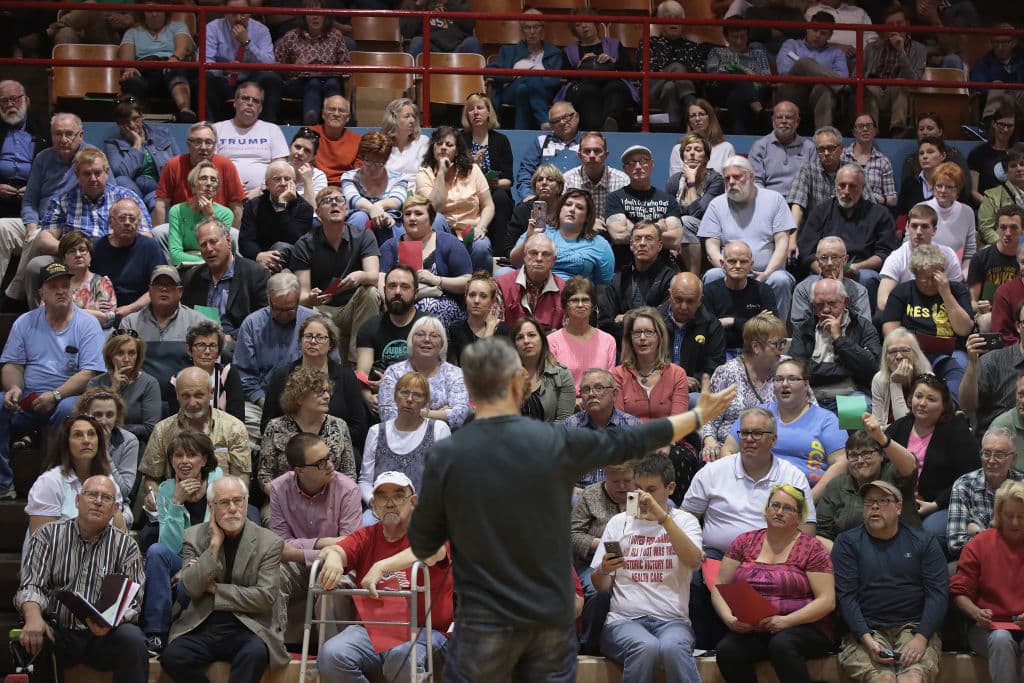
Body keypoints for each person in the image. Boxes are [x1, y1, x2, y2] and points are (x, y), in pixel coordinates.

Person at [406, 336, 737, 682]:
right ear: (519, 382)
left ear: (470, 387)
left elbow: (424, 545)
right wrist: (698, 415)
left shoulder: (446, 454)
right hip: (549, 616)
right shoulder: (553, 441)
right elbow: (632, 440)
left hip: (484, 618)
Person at [317, 470, 455, 683]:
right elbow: (334, 550)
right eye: (382, 496)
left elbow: (430, 551)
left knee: (401, 655)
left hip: (425, 632)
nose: (390, 503)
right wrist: (334, 557)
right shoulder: (366, 535)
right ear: (373, 505)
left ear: (414, 501)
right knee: (331, 655)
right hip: (372, 631)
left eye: (398, 495)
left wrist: (381, 566)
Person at [16, 475, 147, 680]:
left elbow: (133, 601)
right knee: (34, 633)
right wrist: (33, 618)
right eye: (92, 494)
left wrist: (112, 621)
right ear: (78, 500)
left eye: (106, 497)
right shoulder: (47, 535)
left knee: (133, 639)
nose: (97, 501)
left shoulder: (126, 546)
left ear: (114, 509)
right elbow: (31, 584)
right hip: (58, 630)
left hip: (104, 637)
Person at [159, 476, 289, 681]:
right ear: (211, 506)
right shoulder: (193, 536)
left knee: (254, 654)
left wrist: (216, 590)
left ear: (246, 502)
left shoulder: (269, 542)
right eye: (224, 502)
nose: (233, 508)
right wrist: (214, 545)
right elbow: (191, 588)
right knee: (173, 657)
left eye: (238, 501)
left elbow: (265, 597)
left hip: (248, 626)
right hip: (202, 623)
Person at [591, 453, 704, 683]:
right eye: (639, 488)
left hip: (673, 621)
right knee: (646, 647)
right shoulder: (619, 522)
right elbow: (601, 586)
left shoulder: (685, 521)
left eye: (651, 490)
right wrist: (603, 569)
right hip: (624, 621)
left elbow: (694, 561)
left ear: (670, 488)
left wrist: (662, 517)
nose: (642, 497)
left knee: (672, 648)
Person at [0, 262, 105, 498]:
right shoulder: (25, 322)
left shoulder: (87, 324)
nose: (61, 291)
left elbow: (89, 372)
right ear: (41, 293)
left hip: (67, 396)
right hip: (29, 396)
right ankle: (3, 484)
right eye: (54, 286)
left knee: (70, 410)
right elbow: (12, 364)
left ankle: (59, 486)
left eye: (65, 286)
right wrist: (14, 387)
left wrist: (56, 395)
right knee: (0, 404)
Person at [712, 484, 835, 683]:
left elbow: (827, 600)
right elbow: (720, 585)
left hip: (804, 626)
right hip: (756, 628)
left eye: (787, 508)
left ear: (799, 516)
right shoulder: (744, 541)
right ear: (766, 509)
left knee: (782, 643)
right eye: (775, 505)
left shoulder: (812, 548)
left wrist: (787, 621)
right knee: (727, 650)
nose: (779, 512)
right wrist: (729, 620)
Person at [832, 480, 948, 683]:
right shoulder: (847, 543)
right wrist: (867, 640)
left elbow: (938, 594)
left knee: (912, 679)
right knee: (884, 680)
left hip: (913, 628)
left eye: (883, 501)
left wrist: (921, 638)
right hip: (866, 631)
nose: (874, 507)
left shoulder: (924, 541)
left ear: (899, 507)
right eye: (869, 502)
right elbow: (846, 597)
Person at [139, 432, 224, 656]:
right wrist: (176, 502)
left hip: (214, 561)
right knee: (156, 552)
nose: (184, 461)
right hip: (181, 560)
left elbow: (221, 537)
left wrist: (193, 566)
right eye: (178, 455)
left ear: (204, 460)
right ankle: (155, 633)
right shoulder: (166, 489)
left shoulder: (219, 484)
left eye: (191, 455)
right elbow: (168, 544)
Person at [721, 356, 847, 495]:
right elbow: (728, 450)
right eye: (779, 379)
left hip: (806, 492)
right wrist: (740, 487)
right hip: (755, 488)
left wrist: (809, 499)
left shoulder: (826, 420)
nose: (784, 384)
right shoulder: (757, 414)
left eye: (793, 379)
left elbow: (840, 462)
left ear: (806, 384)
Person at [3, 112, 92, 305]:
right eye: (57, 134)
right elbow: (29, 200)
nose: (63, 139)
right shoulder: (43, 158)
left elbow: (101, 192)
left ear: (81, 136)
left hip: (67, 228)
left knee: (38, 237)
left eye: (69, 134)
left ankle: (14, 294)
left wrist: (37, 232)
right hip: (39, 222)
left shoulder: (91, 158)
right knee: (2, 228)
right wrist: (31, 224)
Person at [885, 373, 979, 549]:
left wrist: (935, 505)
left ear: (943, 406)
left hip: (942, 504)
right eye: (918, 396)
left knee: (928, 535)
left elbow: (969, 478)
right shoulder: (901, 426)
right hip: (900, 502)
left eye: (931, 399)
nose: (922, 403)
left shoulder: (956, 431)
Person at [699, 155, 796, 324]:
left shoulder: (775, 199)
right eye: (727, 178)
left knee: (781, 280)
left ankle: (776, 334)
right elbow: (711, 245)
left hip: (768, 272)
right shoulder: (716, 204)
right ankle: (712, 331)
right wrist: (728, 269)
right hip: (729, 271)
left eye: (737, 177)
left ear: (751, 177)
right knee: (712, 275)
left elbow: (782, 243)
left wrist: (766, 274)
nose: (731, 182)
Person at [291, 186, 382, 364]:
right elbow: (301, 297)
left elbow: (373, 276)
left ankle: (359, 365)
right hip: (322, 308)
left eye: (339, 200)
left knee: (371, 292)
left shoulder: (363, 236)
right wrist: (311, 298)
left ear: (346, 208)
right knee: (304, 310)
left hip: (353, 307)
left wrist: (360, 276)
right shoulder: (304, 244)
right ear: (318, 212)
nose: (334, 203)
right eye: (327, 201)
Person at [795, 165, 897, 314]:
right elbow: (806, 252)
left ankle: (865, 329)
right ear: (836, 186)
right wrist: (827, 272)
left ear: (862, 188)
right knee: (806, 285)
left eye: (853, 186)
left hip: (861, 270)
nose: (846, 191)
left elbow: (884, 253)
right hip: (823, 268)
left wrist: (857, 267)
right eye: (842, 185)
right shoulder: (821, 211)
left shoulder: (880, 214)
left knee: (868, 279)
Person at [950, 479, 1024, 683]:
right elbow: (959, 593)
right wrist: (976, 613)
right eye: (1010, 516)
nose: (1016, 522)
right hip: (987, 629)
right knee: (1001, 638)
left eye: (1021, 516)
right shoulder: (980, 544)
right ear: (999, 514)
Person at [139, 366, 252, 497]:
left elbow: (241, 479)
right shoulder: (162, 430)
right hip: (174, 500)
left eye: (199, 395)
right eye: (185, 396)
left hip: (222, 501)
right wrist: (154, 496)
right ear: (177, 395)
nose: (192, 403)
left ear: (211, 393)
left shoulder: (234, 428)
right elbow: (151, 479)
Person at [261, 314, 367, 449]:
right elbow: (266, 424)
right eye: (308, 336)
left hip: (335, 447)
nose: (313, 341)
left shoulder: (346, 376)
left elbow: (359, 426)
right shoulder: (282, 375)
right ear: (300, 342)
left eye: (320, 337)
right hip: (291, 448)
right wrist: (300, 445)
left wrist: (325, 444)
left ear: (331, 344)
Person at [881, 244, 973, 396]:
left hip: (951, 351)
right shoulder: (902, 291)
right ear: (915, 274)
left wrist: (946, 294)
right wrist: (908, 350)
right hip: (913, 352)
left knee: (960, 364)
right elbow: (890, 332)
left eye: (934, 277)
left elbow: (963, 329)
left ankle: (951, 409)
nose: (930, 283)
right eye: (925, 279)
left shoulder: (957, 290)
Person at [816, 418, 921, 550]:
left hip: (902, 551)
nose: (860, 460)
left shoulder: (893, 472)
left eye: (866, 453)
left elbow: (911, 466)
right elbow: (821, 533)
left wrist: (882, 438)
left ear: (882, 455)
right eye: (853, 455)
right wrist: (843, 557)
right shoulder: (837, 485)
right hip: (850, 558)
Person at [259, 366, 356, 502]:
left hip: (331, 501)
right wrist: (284, 499)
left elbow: (349, 474)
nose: (327, 396)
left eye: (327, 391)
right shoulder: (275, 427)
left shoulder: (339, 425)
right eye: (319, 392)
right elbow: (265, 476)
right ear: (299, 397)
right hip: (284, 501)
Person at [233, 273, 316, 431]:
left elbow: (329, 368)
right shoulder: (252, 324)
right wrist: (266, 403)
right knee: (243, 426)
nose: (283, 315)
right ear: (269, 299)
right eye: (277, 309)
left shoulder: (314, 323)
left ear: (299, 300)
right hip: (261, 402)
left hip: (307, 402)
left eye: (290, 309)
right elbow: (244, 376)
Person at [700, 312, 788, 461]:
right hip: (731, 451)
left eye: (783, 343)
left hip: (778, 449)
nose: (781, 349)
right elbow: (708, 418)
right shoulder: (726, 373)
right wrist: (709, 441)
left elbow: (809, 407)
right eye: (775, 344)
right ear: (756, 347)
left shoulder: (787, 368)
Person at [25, 412, 125, 537]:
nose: (86, 441)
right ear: (66, 443)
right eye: (78, 435)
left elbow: (120, 534)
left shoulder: (108, 480)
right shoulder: (49, 482)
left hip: (100, 554)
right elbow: (40, 541)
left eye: (91, 434)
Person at [379, 194, 472, 328]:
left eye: (418, 213)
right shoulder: (390, 246)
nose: (412, 218)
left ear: (431, 218)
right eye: (407, 214)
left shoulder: (449, 242)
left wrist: (437, 280)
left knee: (427, 306)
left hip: (442, 301)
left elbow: (467, 281)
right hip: (400, 303)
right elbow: (381, 277)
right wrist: (389, 302)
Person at [359, 371, 451, 504]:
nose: (409, 399)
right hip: (382, 509)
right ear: (395, 396)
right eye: (404, 393)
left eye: (417, 395)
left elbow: (443, 480)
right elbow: (365, 481)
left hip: (423, 510)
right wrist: (376, 504)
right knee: (365, 522)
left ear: (425, 401)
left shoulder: (439, 429)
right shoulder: (376, 431)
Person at [117, 265, 209, 398]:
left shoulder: (198, 322)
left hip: (186, 398)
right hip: (140, 398)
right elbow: (121, 365)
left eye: (170, 285)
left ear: (180, 291)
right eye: (158, 284)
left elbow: (209, 366)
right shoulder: (130, 323)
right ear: (149, 291)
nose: (164, 289)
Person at [789, 277, 881, 408]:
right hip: (811, 395)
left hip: (850, 394)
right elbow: (798, 369)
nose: (826, 310)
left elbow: (872, 367)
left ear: (846, 302)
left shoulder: (863, 327)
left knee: (861, 409)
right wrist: (847, 369)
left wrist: (839, 339)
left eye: (832, 303)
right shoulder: (804, 329)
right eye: (819, 305)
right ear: (812, 306)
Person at [417, 125, 493, 273]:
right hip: (443, 232)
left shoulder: (472, 170)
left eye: (449, 144)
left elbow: (488, 205)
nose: (443, 148)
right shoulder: (424, 174)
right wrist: (441, 174)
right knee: (437, 218)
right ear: (433, 148)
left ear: (457, 150)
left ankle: (478, 286)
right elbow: (432, 209)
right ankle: (438, 279)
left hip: (470, 231)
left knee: (482, 246)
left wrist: (481, 227)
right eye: (439, 144)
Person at [181, 218, 269, 341]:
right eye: (203, 244)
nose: (209, 248)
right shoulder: (192, 277)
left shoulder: (256, 275)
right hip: (201, 346)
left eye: (213, 242)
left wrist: (232, 337)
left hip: (240, 345)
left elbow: (263, 321)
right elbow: (185, 318)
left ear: (228, 241)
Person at [379, 316, 470, 429]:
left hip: (444, 442)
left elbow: (459, 416)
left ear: (442, 343)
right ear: (411, 339)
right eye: (420, 334)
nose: (426, 339)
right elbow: (388, 416)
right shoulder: (394, 373)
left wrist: (412, 412)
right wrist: (438, 414)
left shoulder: (455, 374)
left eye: (434, 336)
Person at [511, 188, 615, 286]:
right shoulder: (539, 231)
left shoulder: (600, 245)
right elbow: (516, 262)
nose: (572, 210)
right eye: (568, 204)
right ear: (560, 209)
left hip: (576, 297)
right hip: (539, 292)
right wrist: (529, 238)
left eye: (579, 207)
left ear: (587, 216)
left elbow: (604, 284)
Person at [946, 426, 1024, 557]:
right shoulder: (964, 485)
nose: (991, 461)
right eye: (986, 453)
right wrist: (1006, 543)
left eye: (999, 455)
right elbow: (955, 544)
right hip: (979, 563)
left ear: (1013, 458)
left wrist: (979, 532)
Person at [152, 121, 246, 228]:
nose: (203, 147)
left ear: (215, 145)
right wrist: (157, 234)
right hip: (183, 228)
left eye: (209, 142)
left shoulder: (226, 165)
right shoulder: (173, 165)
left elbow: (237, 206)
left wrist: (232, 239)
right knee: (159, 232)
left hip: (218, 228)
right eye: (197, 142)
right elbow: (161, 203)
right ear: (188, 145)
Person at [605, 145, 684, 270]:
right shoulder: (615, 198)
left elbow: (675, 240)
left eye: (643, 161)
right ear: (625, 168)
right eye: (631, 163)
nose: (637, 166)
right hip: (625, 268)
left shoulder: (668, 200)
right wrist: (658, 227)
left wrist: (631, 227)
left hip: (662, 269)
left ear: (651, 164)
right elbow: (618, 235)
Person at [557, 11, 638, 132]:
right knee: (588, 91)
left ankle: (610, 123)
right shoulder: (569, 50)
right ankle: (595, 130)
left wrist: (613, 61)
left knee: (615, 87)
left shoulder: (614, 44)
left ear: (595, 23)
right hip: (583, 85)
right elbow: (566, 77)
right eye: (578, 25)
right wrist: (580, 65)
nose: (584, 26)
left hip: (611, 82)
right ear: (575, 31)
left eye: (587, 21)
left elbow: (629, 70)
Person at [203, 0, 283, 123]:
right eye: (233, 13)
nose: (238, 18)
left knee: (271, 78)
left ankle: (267, 127)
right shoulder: (213, 28)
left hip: (252, 81)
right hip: (224, 80)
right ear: (225, 12)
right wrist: (223, 69)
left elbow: (269, 63)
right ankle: (210, 128)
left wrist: (247, 43)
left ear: (250, 12)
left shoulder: (261, 30)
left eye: (243, 13)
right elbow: (205, 61)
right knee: (205, 78)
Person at [564, 369, 643, 492]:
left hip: (622, 494)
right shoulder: (569, 427)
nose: (591, 394)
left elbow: (646, 473)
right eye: (585, 390)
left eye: (599, 388)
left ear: (614, 394)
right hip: (580, 496)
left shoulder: (633, 426)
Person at [273, 0, 350, 126]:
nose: (315, 17)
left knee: (331, 83)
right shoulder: (291, 36)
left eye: (319, 13)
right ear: (304, 16)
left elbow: (346, 65)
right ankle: (311, 122)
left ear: (326, 15)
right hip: (299, 82)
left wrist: (330, 68)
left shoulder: (336, 35)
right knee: (313, 83)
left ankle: (334, 123)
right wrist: (293, 67)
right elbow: (276, 66)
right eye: (311, 13)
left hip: (328, 79)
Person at [599, 221, 678, 343]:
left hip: (659, 346)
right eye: (637, 239)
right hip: (623, 346)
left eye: (649, 239)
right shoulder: (619, 279)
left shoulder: (670, 279)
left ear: (660, 246)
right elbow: (605, 323)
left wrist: (627, 317)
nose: (642, 244)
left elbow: (664, 321)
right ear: (631, 245)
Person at [116, 4, 196, 124]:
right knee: (130, 79)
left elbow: (183, 48)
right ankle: (137, 118)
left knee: (175, 69)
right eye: (149, 11)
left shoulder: (178, 26)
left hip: (169, 66)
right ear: (143, 13)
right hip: (144, 72)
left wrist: (174, 58)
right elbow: (127, 58)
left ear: (165, 11)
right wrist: (129, 68)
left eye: (158, 10)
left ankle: (185, 112)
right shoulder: (132, 32)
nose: (154, 14)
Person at [877, 203, 963, 313]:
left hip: (940, 313)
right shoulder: (896, 258)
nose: (918, 232)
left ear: (934, 230)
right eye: (914, 226)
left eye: (924, 226)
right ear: (907, 227)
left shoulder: (948, 255)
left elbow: (958, 294)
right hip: (907, 315)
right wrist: (915, 315)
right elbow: (882, 301)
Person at [612, 307, 690, 427]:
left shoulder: (677, 374)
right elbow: (619, 422)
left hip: (669, 441)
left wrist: (664, 443)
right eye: (637, 333)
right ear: (630, 338)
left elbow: (678, 423)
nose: (642, 338)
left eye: (649, 332)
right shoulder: (618, 375)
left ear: (660, 337)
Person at [487, 11, 562, 130]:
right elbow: (489, 71)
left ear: (542, 30)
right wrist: (510, 76)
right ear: (522, 31)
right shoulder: (509, 50)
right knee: (528, 80)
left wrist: (530, 78)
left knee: (524, 89)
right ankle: (543, 121)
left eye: (536, 27)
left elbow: (554, 81)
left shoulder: (553, 52)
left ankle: (520, 133)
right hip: (510, 92)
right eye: (527, 27)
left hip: (542, 93)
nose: (532, 32)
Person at [212, 81, 289, 196]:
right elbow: (208, 166)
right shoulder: (216, 129)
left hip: (264, 196)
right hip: (223, 193)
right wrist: (229, 187)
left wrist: (261, 189)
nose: (250, 103)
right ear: (235, 102)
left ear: (260, 108)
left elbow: (281, 168)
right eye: (245, 98)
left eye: (256, 101)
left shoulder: (272, 130)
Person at [104, 99, 180, 212]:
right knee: (121, 180)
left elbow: (177, 163)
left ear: (142, 116)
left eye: (135, 119)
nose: (132, 125)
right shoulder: (113, 143)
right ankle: (139, 214)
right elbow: (121, 173)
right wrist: (137, 143)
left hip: (159, 187)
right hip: (134, 189)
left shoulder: (163, 134)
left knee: (156, 202)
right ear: (119, 125)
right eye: (125, 122)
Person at [775, 13, 849, 131]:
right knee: (804, 63)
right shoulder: (791, 45)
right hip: (793, 91)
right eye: (814, 30)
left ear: (830, 36)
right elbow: (785, 72)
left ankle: (824, 137)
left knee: (824, 90)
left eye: (823, 33)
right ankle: (844, 87)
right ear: (808, 28)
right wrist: (812, 71)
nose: (817, 35)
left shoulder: (837, 53)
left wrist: (819, 80)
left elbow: (843, 76)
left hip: (818, 94)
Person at [0, 80, 41, 288]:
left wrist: (35, 189)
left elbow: (55, 172)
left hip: (34, 199)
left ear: (26, 100)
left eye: (14, 98)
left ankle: (16, 293)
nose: (10, 104)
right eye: (4, 100)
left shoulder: (43, 130)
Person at [461, 93, 514, 254]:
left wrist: (494, 183)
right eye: (471, 109)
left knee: (500, 197)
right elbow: (456, 174)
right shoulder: (460, 139)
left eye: (480, 108)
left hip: (494, 189)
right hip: (467, 188)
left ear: (489, 112)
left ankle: (499, 252)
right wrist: (473, 165)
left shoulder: (501, 140)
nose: (475, 112)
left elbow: (508, 179)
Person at [703, 240, 778, 353]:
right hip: (720, 351)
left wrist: (730, 321)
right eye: (732, 261)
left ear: (751, 265)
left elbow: (772, 328)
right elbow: (708, 328)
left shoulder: (764, 291)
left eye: (743, 261)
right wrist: (755, 323)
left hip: (755, 351)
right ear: (722, 263)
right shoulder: (709, 291)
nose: (738, 266)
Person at [356, 265, 424, 391]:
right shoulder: (369, 327)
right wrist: (367, 397)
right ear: (384, 290)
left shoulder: (430, 326)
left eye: (404, 286)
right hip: (378, 396)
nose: (397, 292)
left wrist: (393, 383)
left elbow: (437, 373)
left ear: (416, 293)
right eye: (392, 286)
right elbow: (362, 374)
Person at [238, 161, 314, 272]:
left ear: (294, 183)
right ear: (267, 184)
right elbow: (246, 240)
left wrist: (281, 207)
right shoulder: (254, 205)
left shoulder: (304, 207)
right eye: (277, 179)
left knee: (281, 247)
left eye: (287, 179)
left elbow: (294, 240)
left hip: (292, 263)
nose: (283, 183)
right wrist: (259, 256)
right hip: (259, 261)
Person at [570, 457, 636, 587]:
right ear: (605, 477)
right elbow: (573, 535)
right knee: (598, 592)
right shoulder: (591, 495)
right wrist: (602, 544)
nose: (622, 486)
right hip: (593, 564)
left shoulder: (639, 495)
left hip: (635, 563)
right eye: (615, 481)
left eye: (627, 481)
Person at [862, 8, 926, 138]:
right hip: (875, 90)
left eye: (899, 23)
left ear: (907, 24)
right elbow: (857, 75)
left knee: (900, 83)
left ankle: (898, 131)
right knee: (869, 86)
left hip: (899, 92)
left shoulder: (920, 49)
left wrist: (901, 51)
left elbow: (914, 82)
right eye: (891, 25)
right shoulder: (871, 48)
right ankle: (869, 131)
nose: (895, 28)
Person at [657, 272, 726, 392]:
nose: (683, 307)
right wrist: (674, 379)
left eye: (690, 301)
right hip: (657, 386)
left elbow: (714, 369)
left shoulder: (712, 326)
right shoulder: (653, 321)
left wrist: (689, 382)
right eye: (678, 299)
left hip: (693, 391)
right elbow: (643, 362)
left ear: (700, 300)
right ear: (669, 295)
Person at [665, 133, 724, 272]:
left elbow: (698, 214)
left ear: (706, 158)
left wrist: (691, 182)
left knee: (687, 220)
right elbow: (667, 214)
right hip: (682, 233)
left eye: (698, 150)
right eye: (688, 150)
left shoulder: (715, 180)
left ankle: (693, 277)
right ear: (683, 157)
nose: (692, 154)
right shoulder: (675, 181)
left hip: (710, 231)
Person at [88, 331, 161, 443]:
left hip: (136, 443)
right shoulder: (95, 383)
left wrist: (114, 430)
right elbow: (89, 423)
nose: (126, 359)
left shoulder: (149, 384)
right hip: (99, 443)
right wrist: (113, 389)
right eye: (120, 353)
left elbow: (150, 428)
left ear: (138, 356)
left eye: (132, 353)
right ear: (110, 355)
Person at [341, 131, 410, 246]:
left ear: (386, 160)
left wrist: (379, 207)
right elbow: (352, 199)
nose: (373, 167)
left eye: (379, 163)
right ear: (361, 158)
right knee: (359, 217)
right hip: (360, 217)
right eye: (368, 161)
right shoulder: (349, 176)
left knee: (391, 222)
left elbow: (397, 200)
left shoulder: (399, 178)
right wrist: (373, 209)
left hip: (389, 217)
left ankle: (400, 262)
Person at [548, 276, 616, 390]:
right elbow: (550, 384)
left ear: (592, 305)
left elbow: (610, 384)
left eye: (585, 300)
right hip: (564, 405)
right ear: (565, 306)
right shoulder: (552, 341)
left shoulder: (608, 341)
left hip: (600, 403)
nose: (580, 305)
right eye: (574, 300)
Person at [169, 321, 245, 421]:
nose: (207, 352)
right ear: (189, 350)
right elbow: (177, 421)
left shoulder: (228, 373)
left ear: (219, 351)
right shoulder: (177, 381)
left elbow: (237, 419)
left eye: (213, 346)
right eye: (201, 345)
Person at [645, 1, 703, 129]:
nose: (673, 22)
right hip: (654, 90)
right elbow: (648, 70)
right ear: (660, 22)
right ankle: (692, 110)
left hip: (675, 91)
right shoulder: (649, 43)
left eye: (677, 18)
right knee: (677, 67)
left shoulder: (692, 47)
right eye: (668, 17)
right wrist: (679, 70)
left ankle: (673, 129)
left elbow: (699, 74)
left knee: (670, 87)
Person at [705, 24, 771, 135]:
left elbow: (767, 78)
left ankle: (739, 132)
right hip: (723, 92)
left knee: (736, 95)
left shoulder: (758, 53)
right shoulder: (717, 52)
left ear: (748, 36)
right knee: (735, 75)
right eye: (734, 37)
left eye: (743, 36)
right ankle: (757, 108)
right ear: (726, 37)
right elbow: (713, 73)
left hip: (755, 91)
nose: (739, 41)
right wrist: (743, 69)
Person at [167, 161, 235, 267]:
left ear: (217, 188)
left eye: (213, 180)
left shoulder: (226, 214)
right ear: (194, 185)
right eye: (203, 178)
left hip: (215, 267)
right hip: (186, 267)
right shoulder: (177, 211)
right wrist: (204, 260)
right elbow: (175, 256)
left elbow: (221, 253)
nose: (209, 183)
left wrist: (210, 216)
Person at [791, 236, 872, 325]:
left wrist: (840, 291)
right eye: (824, 257)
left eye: (835, 257)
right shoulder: (803, 289)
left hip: (848, 338)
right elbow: (799, 326)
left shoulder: (859, 291)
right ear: (817, 261)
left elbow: (865, 328)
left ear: (845, 260)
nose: (829, 263)